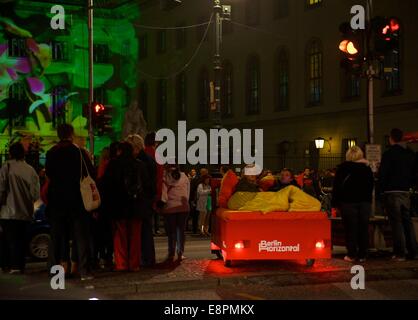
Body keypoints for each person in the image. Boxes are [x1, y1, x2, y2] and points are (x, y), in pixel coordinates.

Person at [45, 124, 95, 280]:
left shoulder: (51, 153)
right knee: (80, 237)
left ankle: (58, 270)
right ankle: (83, 270)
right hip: (77, 200)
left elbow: (49, 174)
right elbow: (91, 174)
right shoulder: (80, 153)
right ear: (71, 134)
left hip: (58, 201)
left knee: (58, 237)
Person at [101, 142, 152, 271]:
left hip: (118, 206)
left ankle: (121, 263)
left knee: (120, 235)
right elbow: (147, 186)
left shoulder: (113, 165)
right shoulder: (140, 165)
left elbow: (106, 185)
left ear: (120, 151)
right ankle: (134, 264)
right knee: (135, 236)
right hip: (136, 205)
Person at [0, 143, 40, 274]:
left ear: (10, 154)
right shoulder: (31, 170)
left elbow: (1, 190)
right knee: (21, 239)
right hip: (25, 212)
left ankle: (9, 265)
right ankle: (19, 266)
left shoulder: (6, 167)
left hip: (7, 211)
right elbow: (35, 194)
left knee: (8, 239)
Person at [379, 128, 417, 261]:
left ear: (391, 138)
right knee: (407, 222)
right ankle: (413, 251)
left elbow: (383, 174)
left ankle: (399, 253)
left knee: (396, 223)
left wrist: (381, 190)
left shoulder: (389, 154)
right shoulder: (410, 154)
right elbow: (415, 172)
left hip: (391, 191)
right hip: (405, 191)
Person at [332, 147, 374, 263]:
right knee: (363, 228)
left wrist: (335, 203)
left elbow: (337, 187)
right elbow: (371, 186)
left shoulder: (343, 168)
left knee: (350, 228)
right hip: (364, 202)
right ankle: (362, 254)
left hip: (348, 202)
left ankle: (351, 254)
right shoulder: (367, 169)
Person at [125, 134, 157, 268]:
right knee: (146, 230)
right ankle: (147, 258)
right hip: (147, 200)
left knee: (142, 231)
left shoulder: (139, 161)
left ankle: (145, 259)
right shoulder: (149, 159)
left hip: (141, 200)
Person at [160, 164, 190, 264]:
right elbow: (187, 193)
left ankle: (171, 254)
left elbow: (163, 194)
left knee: (171, 232)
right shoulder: (184, 176)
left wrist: (161, 206)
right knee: (181, 231)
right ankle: (180, 253)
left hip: (170, 207)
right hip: (183, 207)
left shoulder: (165, 177)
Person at [144, 132, 163, 236]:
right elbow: (159, 177)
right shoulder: (156, 155)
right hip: (152, 191)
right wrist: (158, 195)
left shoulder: (142, 152)